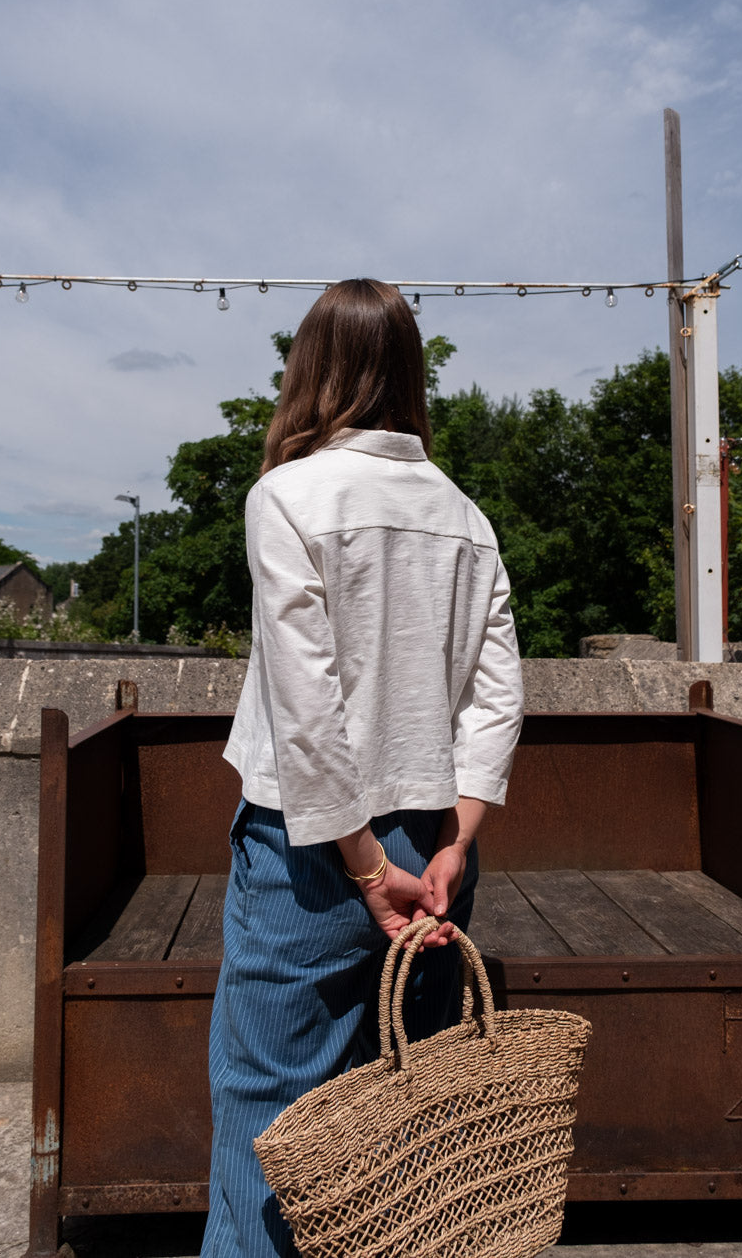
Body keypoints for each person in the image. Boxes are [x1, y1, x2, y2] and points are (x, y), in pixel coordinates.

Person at [201, 278, 524, 1258]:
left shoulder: (287, 497)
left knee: (270, 1120)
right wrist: (454, 845)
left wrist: (365, 867)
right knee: (399, 1142)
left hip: (313, 854)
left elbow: (307, 708)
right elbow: (496, 699)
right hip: (436, 853)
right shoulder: (466, 518)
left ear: (312, 369)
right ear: (410, 376)